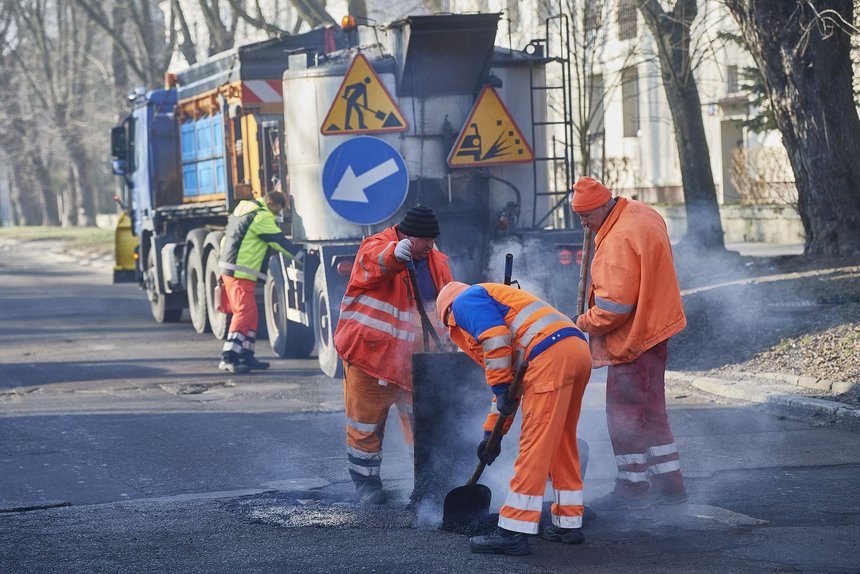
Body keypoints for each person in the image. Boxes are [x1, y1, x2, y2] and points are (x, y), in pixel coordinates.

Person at [435, 281, 592, 556]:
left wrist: (498, 388)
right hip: (576, 350)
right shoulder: (493, 302)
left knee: (535, 447)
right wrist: (491, 435)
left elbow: (495, 341)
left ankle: (512, 532)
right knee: (561, 442)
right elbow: (508, 389)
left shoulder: (464, 301)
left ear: (448, 316)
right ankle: (567, 523)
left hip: (549, 357)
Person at [570, 176, 688, 510]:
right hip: (657, 326)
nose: (584, 224)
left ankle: (633, 487)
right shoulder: (641, 212)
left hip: (634, 338)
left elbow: (613, 310)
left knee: (623, 415)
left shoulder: (617, 240)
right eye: (580, 217)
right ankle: (671, 484)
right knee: (652, 410)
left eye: (587, 217)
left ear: (603, 206)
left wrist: (579, 322)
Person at [333, 205, 453, 505]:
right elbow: (371, 263)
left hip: (416, 362)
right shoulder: (377, 247)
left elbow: (444, 306)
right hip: (370, 359)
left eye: (433, 240)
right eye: (426, 241)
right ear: (409, 237)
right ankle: (367, 487)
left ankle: (427, 484)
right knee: (365, 426)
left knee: (424, 426)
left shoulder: (436, 260)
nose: (431, 246)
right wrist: (393, 255)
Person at [218, 190, 295, 374]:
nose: (277, 214)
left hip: (235, 270)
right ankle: (229, 357)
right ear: (270, 202)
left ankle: (246, 354)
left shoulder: (243, 210)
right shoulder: (261, 217)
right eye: (277, 210)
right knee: (244, 312)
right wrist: (303, 257)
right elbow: (279, 242)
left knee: (250, 313)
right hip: (240, 272)